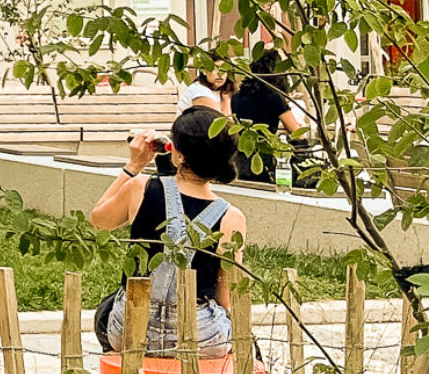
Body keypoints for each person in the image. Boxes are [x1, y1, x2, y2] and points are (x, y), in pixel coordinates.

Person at [89, 104, 247, 353]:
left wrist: (133, 166)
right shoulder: (232, 217)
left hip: (130, 329)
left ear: (179, 154)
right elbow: (224, 294)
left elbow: (99, 219)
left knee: (107, 307)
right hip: (199, 340)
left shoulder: (141, 187)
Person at [230, 46, 306, 184]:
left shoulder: (236, 97)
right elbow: (297, 132)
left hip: (240, 158)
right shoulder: (273, 97)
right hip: (264, 158)